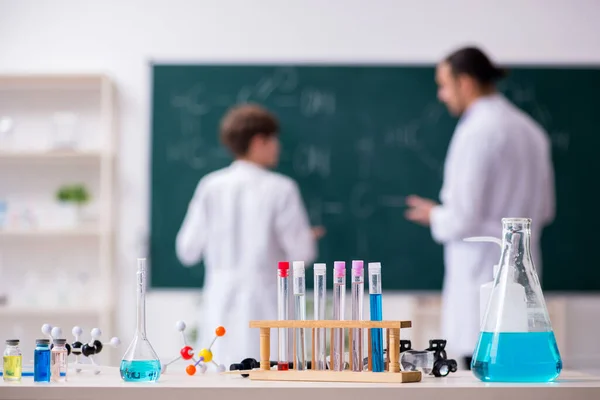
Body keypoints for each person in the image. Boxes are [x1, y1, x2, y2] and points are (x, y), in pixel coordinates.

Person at [404, 46, 555, 369]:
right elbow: (544, 210)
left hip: (479, 288)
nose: (442, 96)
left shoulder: (476, 132)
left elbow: (462, 218)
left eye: (444, 85)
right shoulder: (531, 131)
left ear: (466, 82)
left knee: (482, 372)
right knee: (520, 374)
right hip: (523, 290)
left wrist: (435, 215)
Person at [176, 103, 324, 367]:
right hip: (268, 308)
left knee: (221, 380)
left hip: (220, 305)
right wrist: (307, 237)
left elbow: (187, 251)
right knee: (270, 380)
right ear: (258, 141)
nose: (277, 147)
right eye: (273, 140)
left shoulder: (210, 186)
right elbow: (303, 254)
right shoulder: (281, 189)